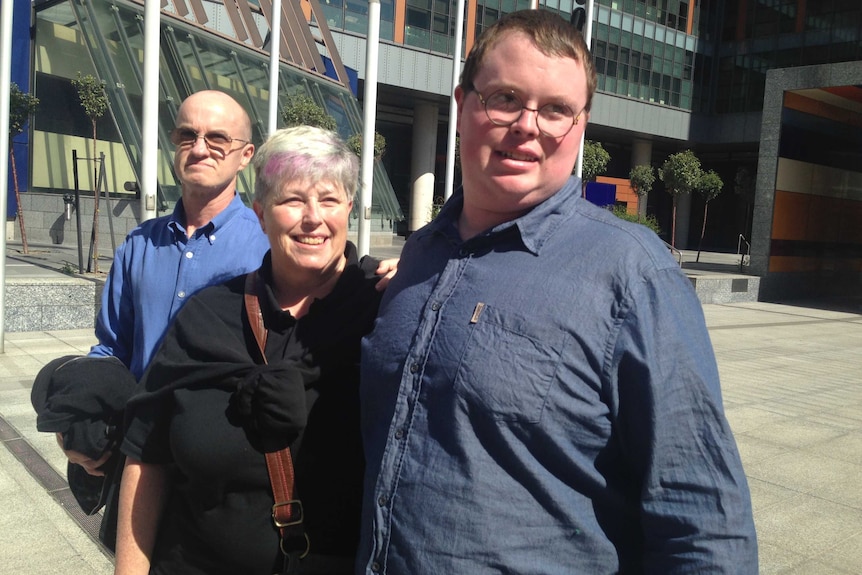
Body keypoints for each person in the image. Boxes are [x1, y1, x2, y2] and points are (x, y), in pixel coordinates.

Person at [358, 9, 757, 574]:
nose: (528, 125)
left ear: (580, 124)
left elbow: (703, 521)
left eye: (556, 110)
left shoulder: (632, 274)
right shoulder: (421, 254)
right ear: (462, 103)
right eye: (505, 98)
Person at [115, 126, 383, 575]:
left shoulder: (383, 312)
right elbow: (147, 455)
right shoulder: (207, 316)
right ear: (260, 214)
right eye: (292, 200)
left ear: (349, 210)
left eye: (330, 200)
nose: (313, 217)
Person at [60, 90, 270, 478]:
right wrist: (81, 412)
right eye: (187, 136)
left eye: (218, 138)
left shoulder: (266, 248)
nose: (200, 148)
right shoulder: (138, 244)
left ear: (245, 155)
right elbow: (112, 348)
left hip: (223, 460)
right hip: (138, 449)